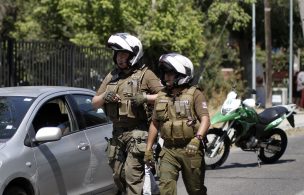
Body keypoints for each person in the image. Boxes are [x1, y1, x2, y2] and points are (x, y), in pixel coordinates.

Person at [92, 32, 163, 194]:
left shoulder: (146, 75)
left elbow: (165, 96)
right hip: (117, 134)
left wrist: (145, 97)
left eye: (124, 54)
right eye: (118, 54)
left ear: (134, 55)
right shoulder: (112, 75)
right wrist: (105, 96)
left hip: (138, 133)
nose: (120, 58)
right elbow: (94, 103)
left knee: (133, 176)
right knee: (118, 176)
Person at [144, 53, 210, 195]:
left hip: (190, 149)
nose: (166, 77)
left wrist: (197, 139)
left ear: (181, 74)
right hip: (168, 150)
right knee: (165, 189)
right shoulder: (161, 96)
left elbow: (205, 119)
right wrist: (148, 149)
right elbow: (155, 124)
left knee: (196, 190)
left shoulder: (195, 94)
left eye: (171, 73)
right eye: (165, 73)